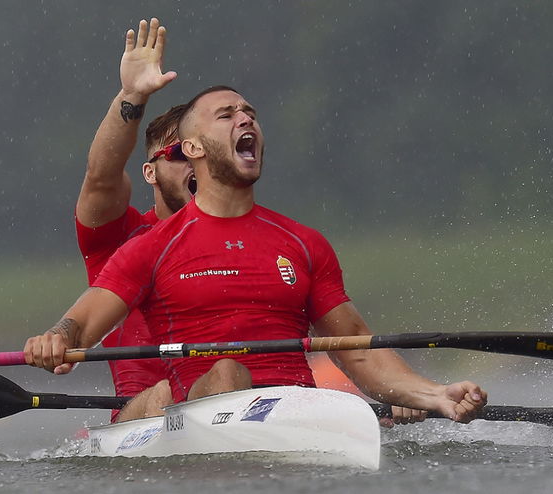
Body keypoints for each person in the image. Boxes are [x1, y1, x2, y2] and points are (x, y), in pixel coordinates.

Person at [26, 85, 488, 424]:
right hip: (189, 411)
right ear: (192, 149)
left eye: (249, 113)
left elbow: (358, 349)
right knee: (228, 371)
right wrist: (54, 338)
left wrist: (435, 394)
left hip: (292, 413)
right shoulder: (148, 247)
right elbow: (78, 326)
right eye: (226, 115)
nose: (245, 119)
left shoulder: (304, 243)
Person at [74, 18, 191, 422]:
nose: (192, 162)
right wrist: (132, 97)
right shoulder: (120, 237)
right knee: (168, 391)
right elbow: (101, 177)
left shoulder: (258, 238)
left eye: (201, 152)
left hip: (234, 396)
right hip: (142, 414)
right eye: (177, 154)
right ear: (150, 172)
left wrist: (397, 391)